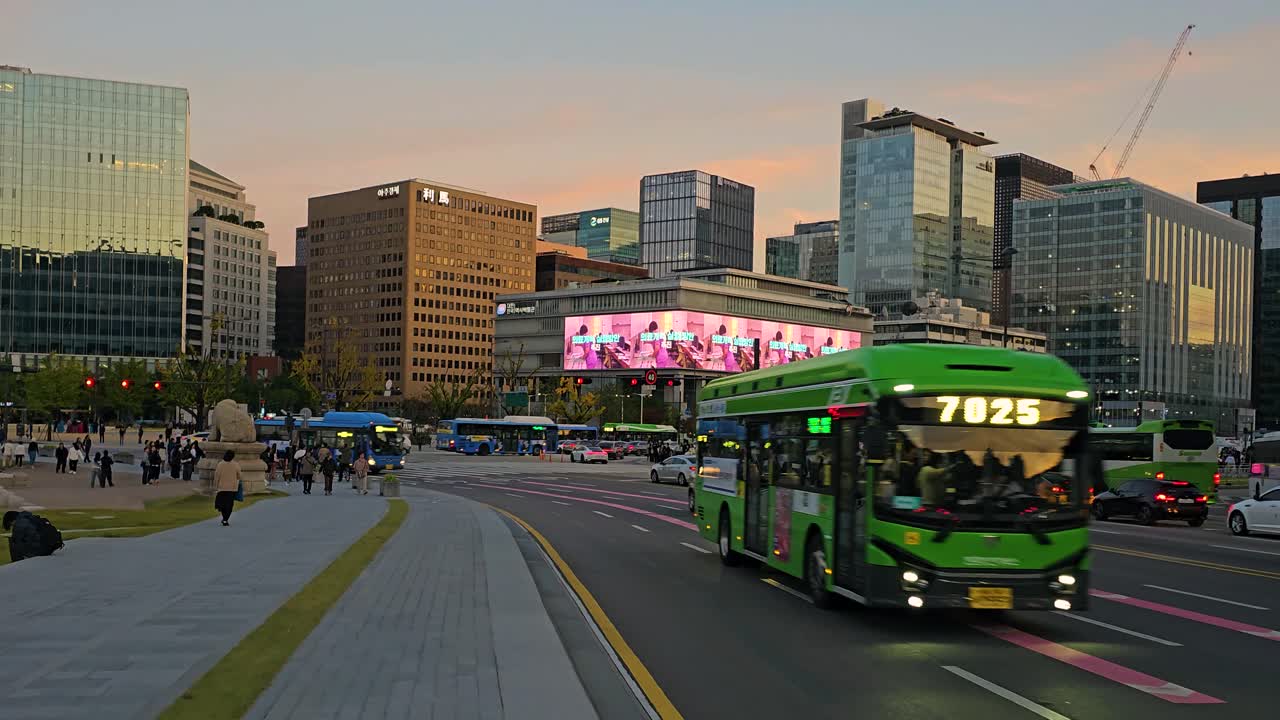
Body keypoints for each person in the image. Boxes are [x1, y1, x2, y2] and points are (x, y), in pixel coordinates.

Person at [213, 450, 241, 526]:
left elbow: (216, 476)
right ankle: (225, 519)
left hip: (222, 487)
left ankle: (224, 518)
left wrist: (215, 486)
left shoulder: (220, 464)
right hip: (232, 488)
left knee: (222, 504)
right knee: (229, 504)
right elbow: (239, 476)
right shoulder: (236, 464)